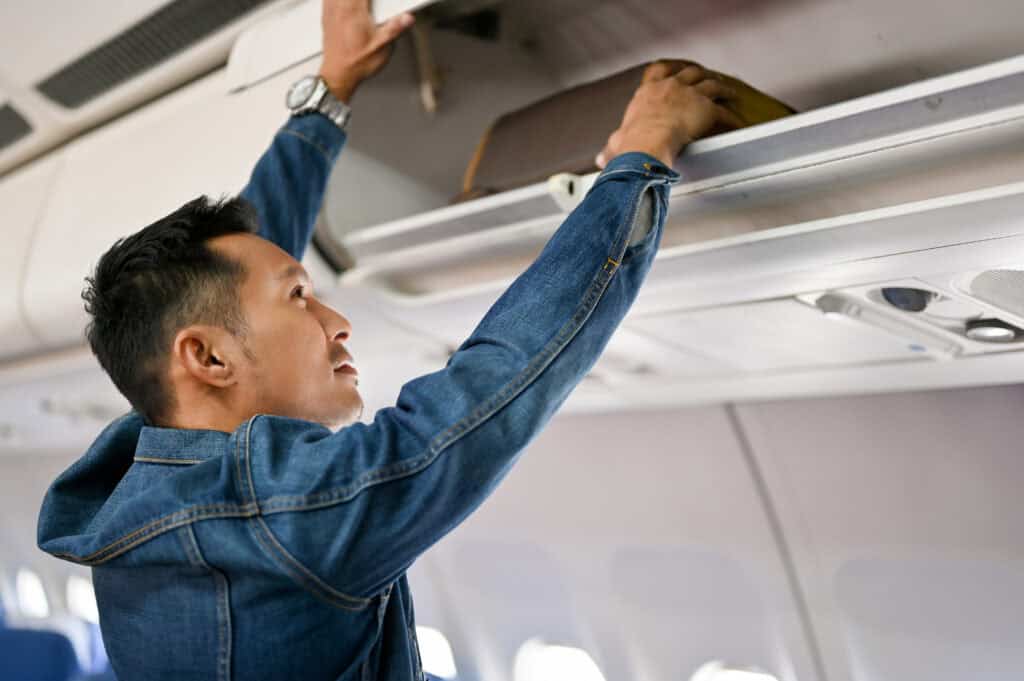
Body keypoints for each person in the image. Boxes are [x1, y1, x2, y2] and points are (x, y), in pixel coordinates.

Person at [37, 1, 738, 679]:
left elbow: (246, 273)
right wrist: (640, 162)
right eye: (301, 297)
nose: (338, 321)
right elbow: (490, 392)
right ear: (208, 358)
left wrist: (331, 91)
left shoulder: (153, 492)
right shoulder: (276, 514)